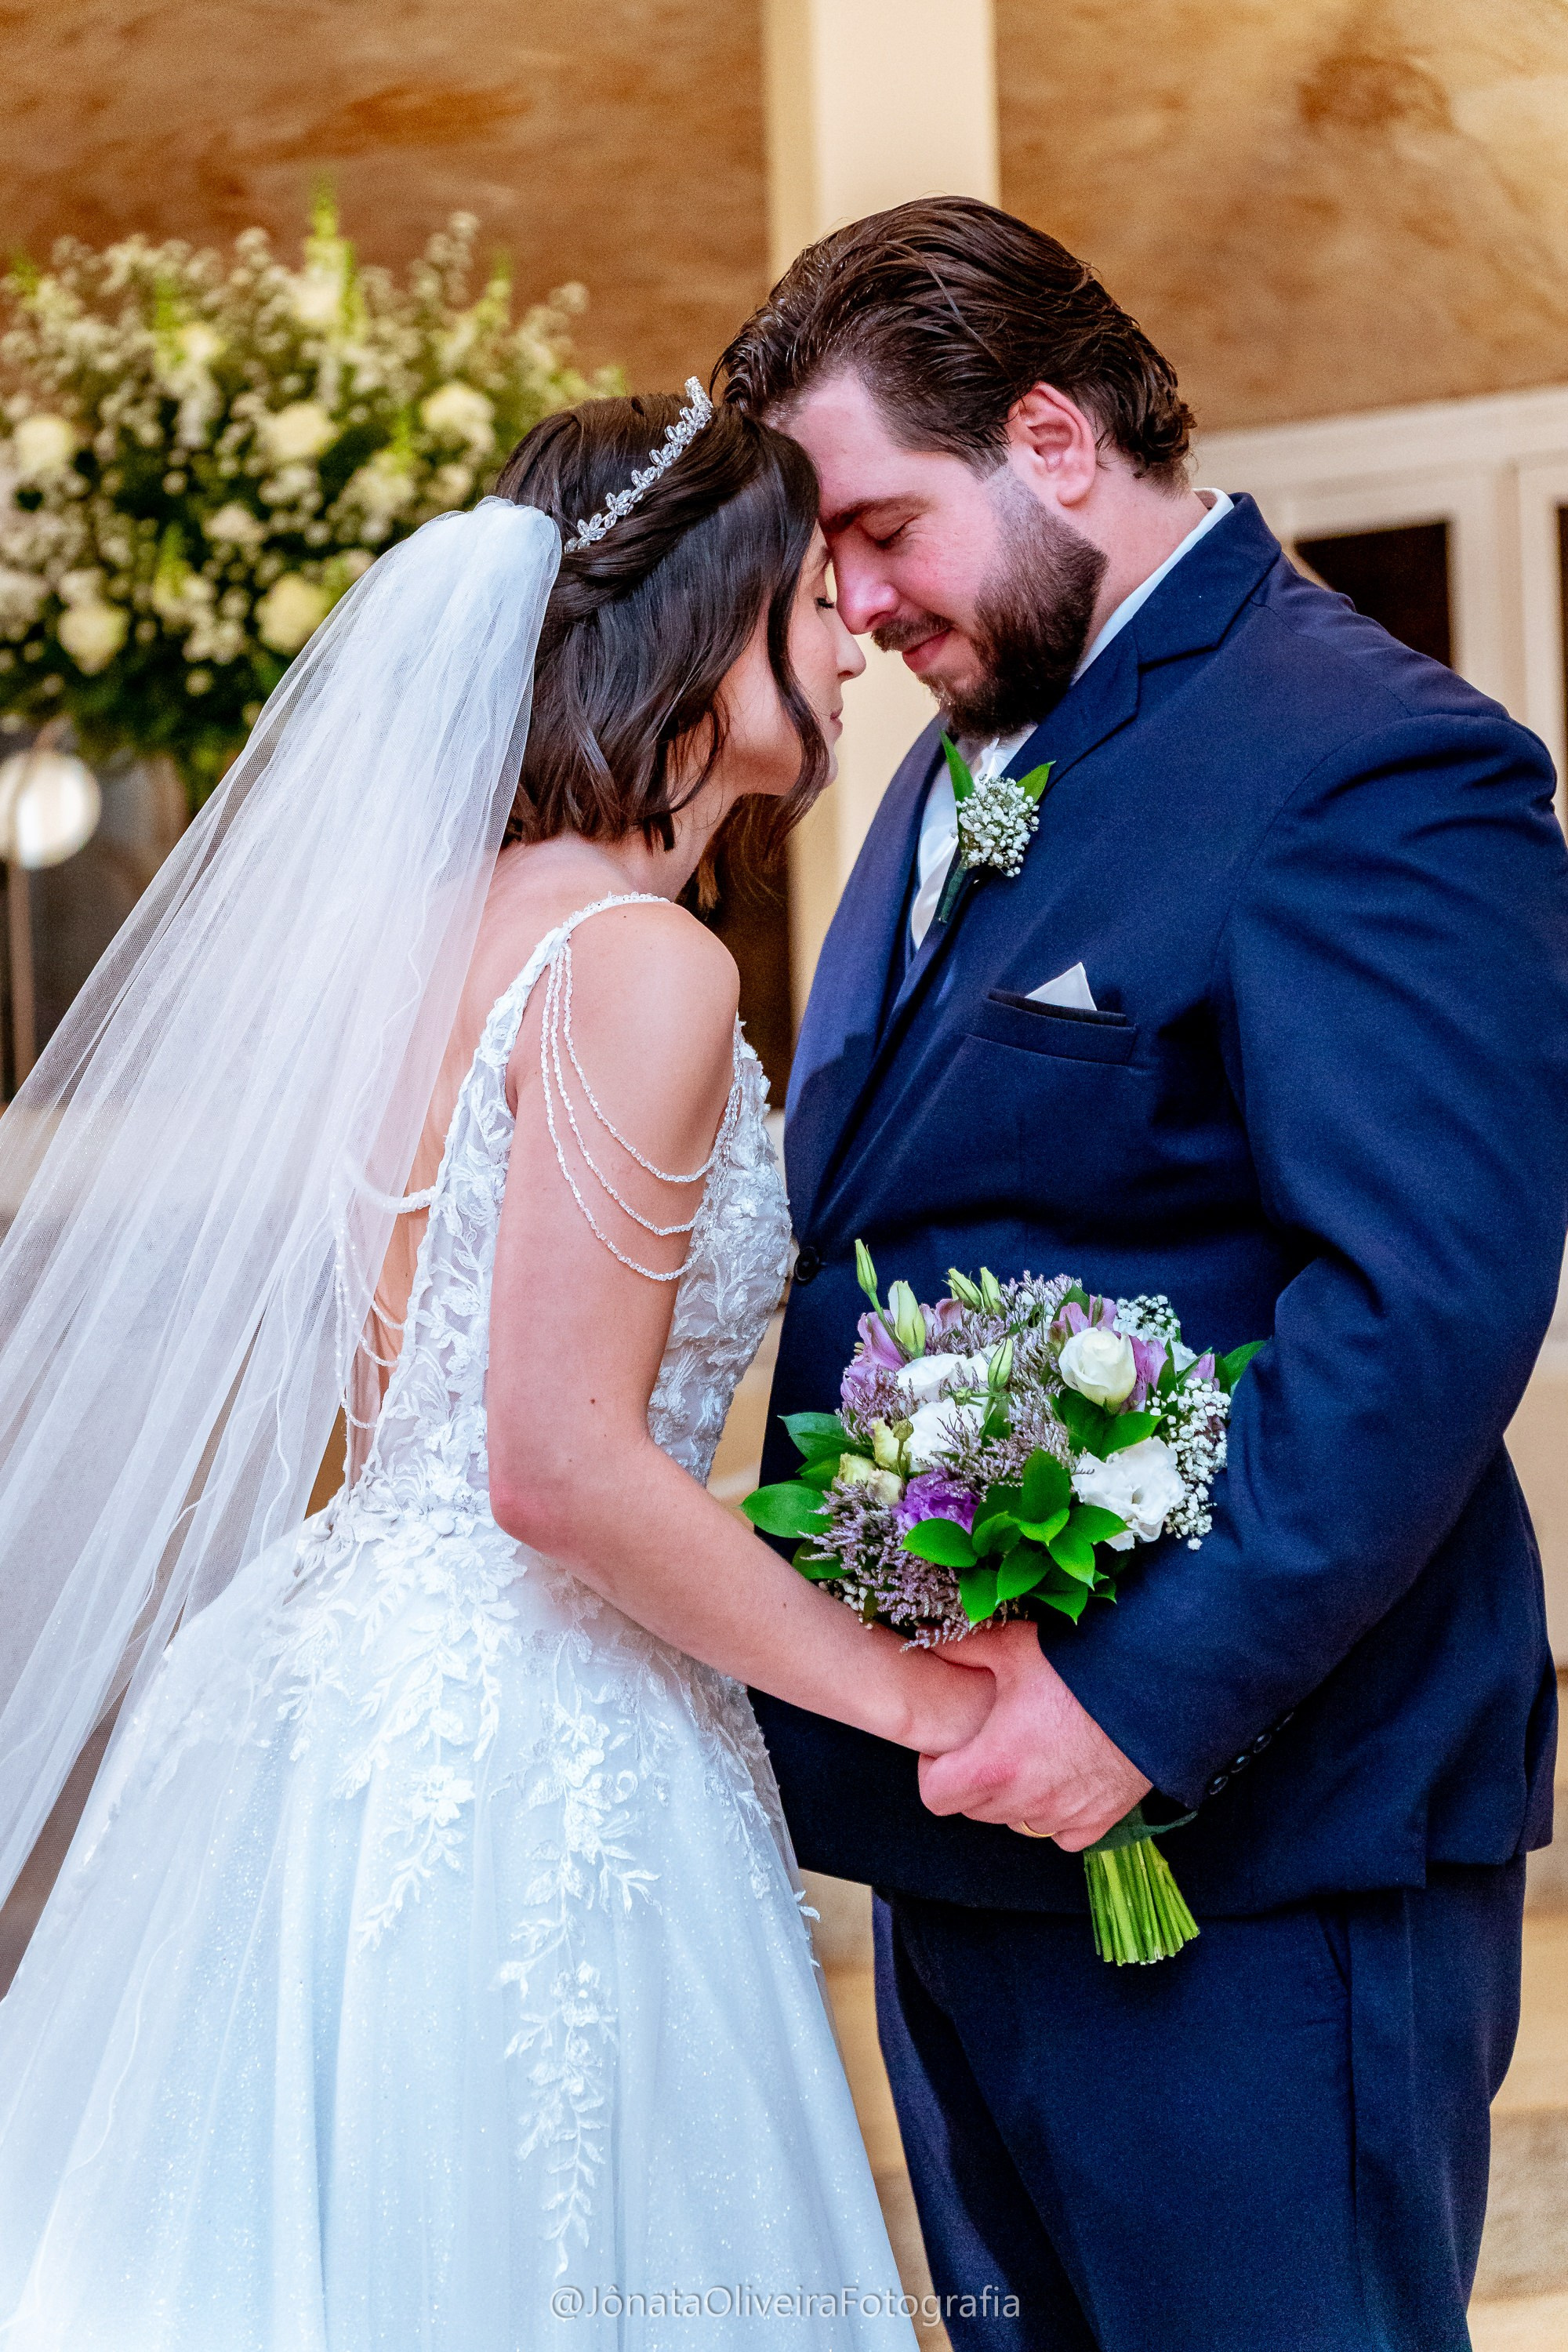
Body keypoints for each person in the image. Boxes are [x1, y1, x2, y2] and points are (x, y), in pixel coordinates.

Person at [0, 387, 999, 2346]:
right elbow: (558, 1466)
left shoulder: (426, 934)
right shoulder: (640, 963)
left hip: (320, 1690)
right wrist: (912, 1697)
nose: (850, 641)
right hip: (539, 1734)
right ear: (700, 638)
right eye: (808, 601)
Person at [720, 197, 1568, 2351]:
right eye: (837, 558)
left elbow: (1424, 1302)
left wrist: (1137, 1702)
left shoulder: (1363, 757)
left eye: (888, 528)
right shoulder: (956, 762)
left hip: (1247, 1842)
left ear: (1053, 435)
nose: (861, 601)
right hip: (978, 1833)